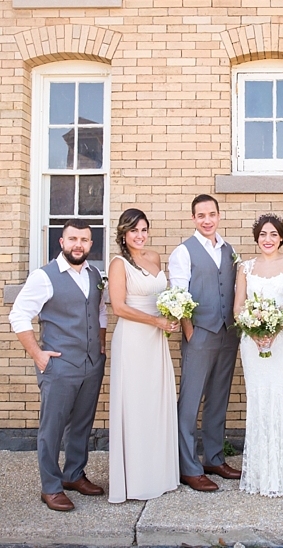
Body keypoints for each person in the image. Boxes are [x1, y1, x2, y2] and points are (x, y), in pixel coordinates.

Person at [8, 219, 107, 511]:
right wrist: (37, 354)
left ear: (91, 244)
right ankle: (50, 486)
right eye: (73, 239)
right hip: (60, 365)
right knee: (52, 428)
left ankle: (74, 474)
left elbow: (100, 312)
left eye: (85, 240)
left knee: (82, 424)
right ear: (61, 242)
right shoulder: (44, 276)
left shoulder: (94, 274)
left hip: (91, 363)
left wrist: (100, 344)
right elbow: (19, 315)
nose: (79, 244)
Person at [168, 194, 242, 491]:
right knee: (190, 401)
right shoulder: (183, 252)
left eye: (212, 214)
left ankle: (213, 457)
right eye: (201, 215)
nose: (207, 220)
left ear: (219, 215)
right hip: (199, 333)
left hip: (228, 333)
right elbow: (178, 295)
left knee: (218, 398)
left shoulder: (229, 250)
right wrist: (189, 332)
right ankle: (188, 466)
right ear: (193, 219)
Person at [107, 209, 180, 503]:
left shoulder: (155, 258)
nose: (140, 235)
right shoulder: (118, 264)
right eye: (134, 230)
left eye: (144, 230)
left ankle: (158, 474)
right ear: (124, 234)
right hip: (134, 340)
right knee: (135, 405)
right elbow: (119, 308)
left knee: (156, 403)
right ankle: (135, 481)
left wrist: (173, 313)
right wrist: (157, 322)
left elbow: (162, 297)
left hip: (156, 339)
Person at [233, 214, 283, 497]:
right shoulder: (245, 268)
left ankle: (282, 475)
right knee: (258, 401)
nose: (268, 239)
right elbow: (239, 307)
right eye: (263, 234)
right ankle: (259, 475)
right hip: (252, 343)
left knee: (278, 398)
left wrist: (275, 327)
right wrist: (253, 331)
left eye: (273, 234)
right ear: (256, 237)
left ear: (281, 237)